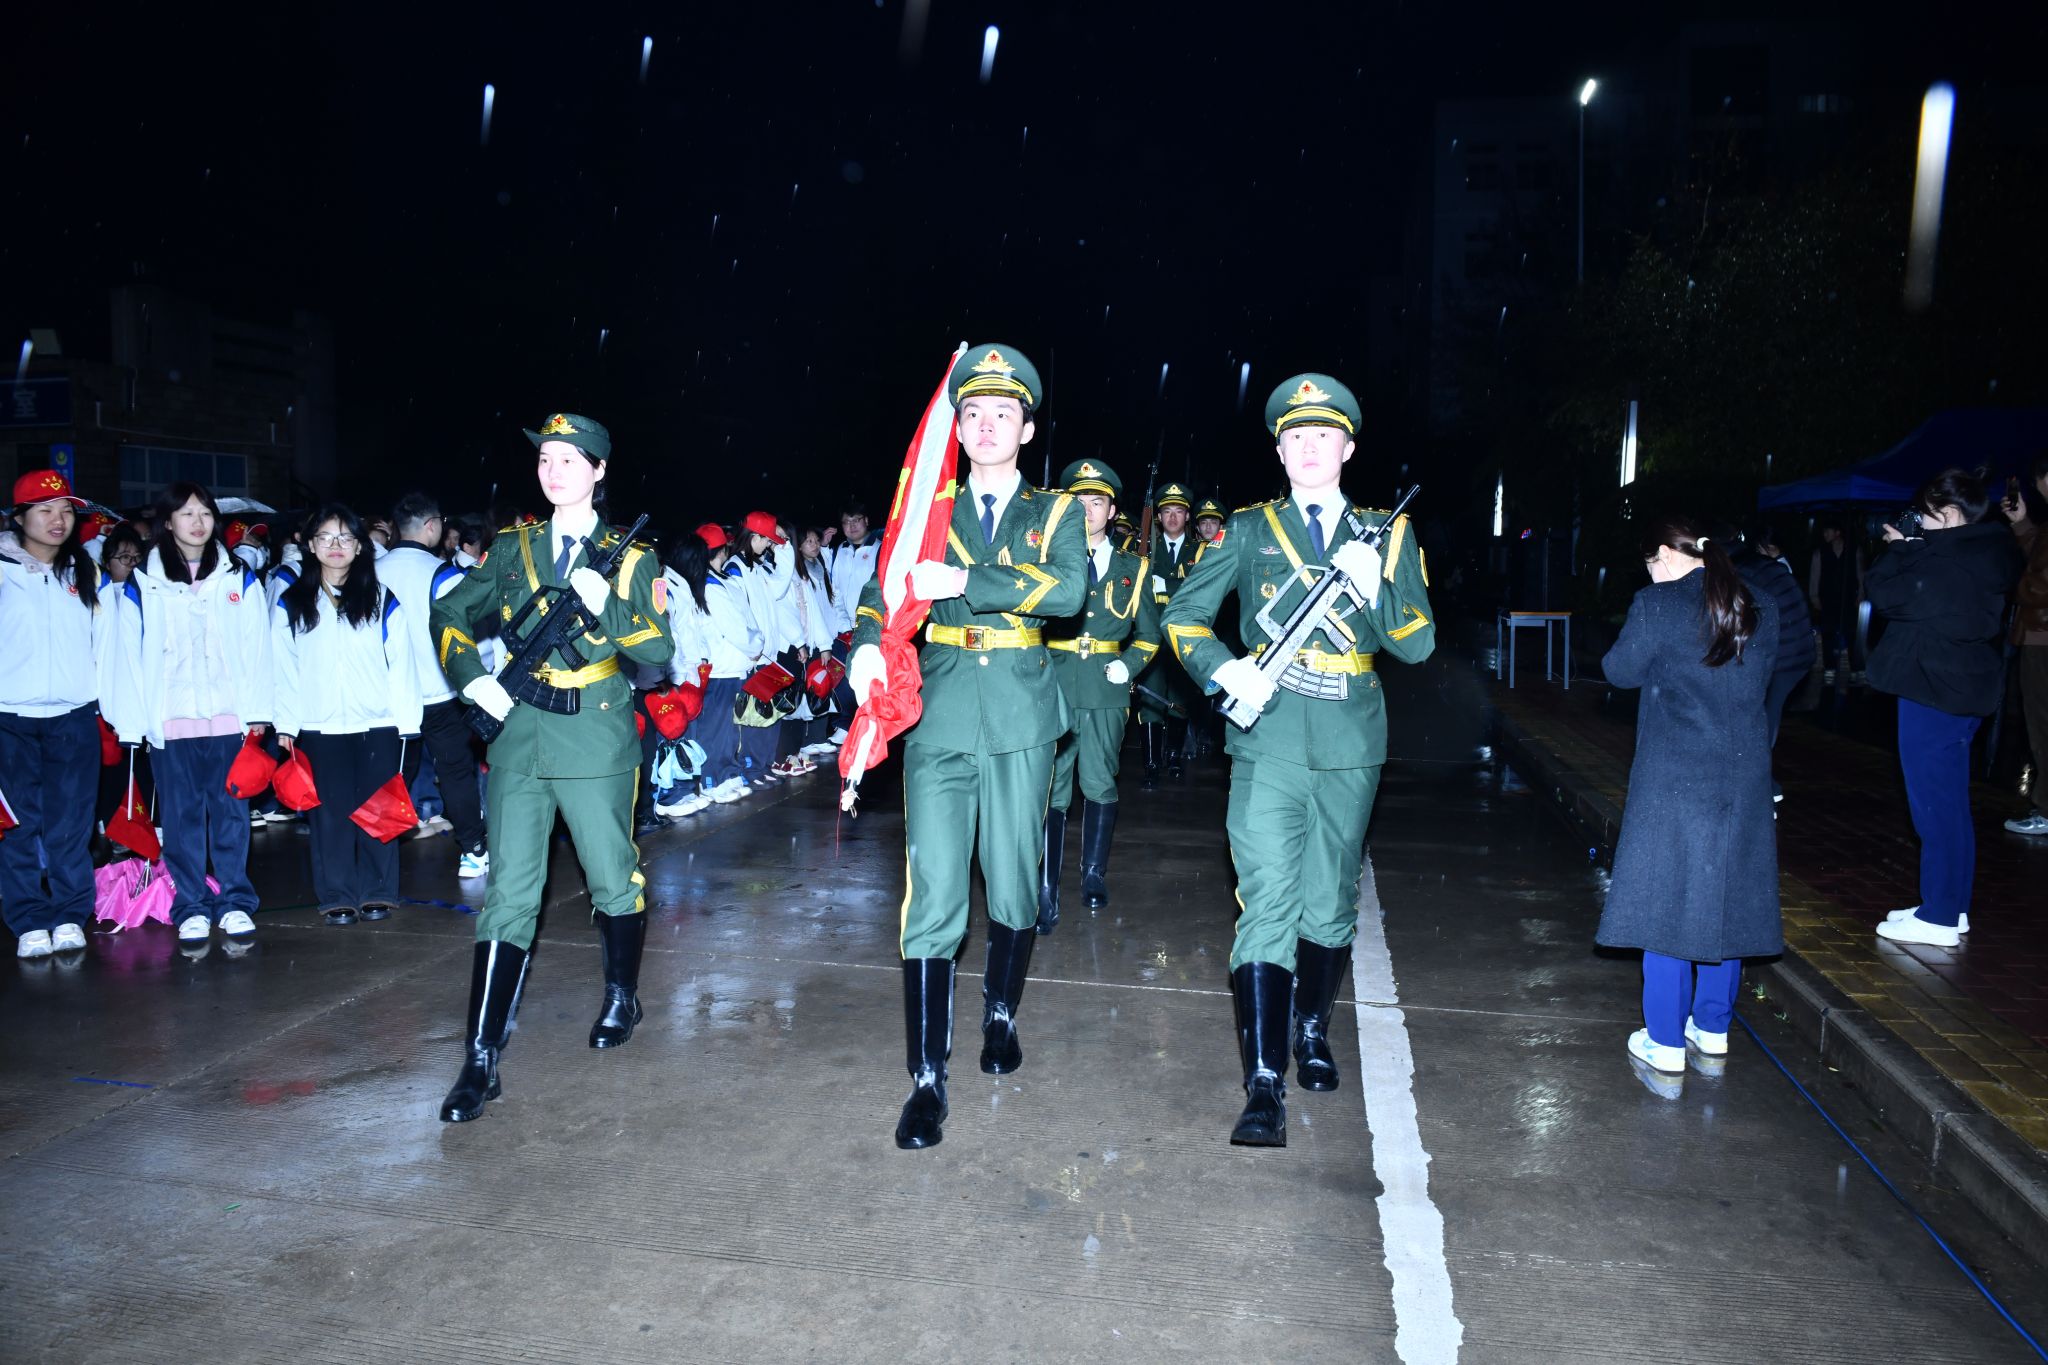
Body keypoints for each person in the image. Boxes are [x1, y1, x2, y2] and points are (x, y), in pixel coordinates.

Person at [1160, 373, 1435, 1146]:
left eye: (1324, 435)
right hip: (1269, 734)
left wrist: (1376, 587)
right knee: (1266, 900)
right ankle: (1263, 1081)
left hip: (1349, 738)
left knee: (1329, 899)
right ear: (1279, 452)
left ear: (1348, 448)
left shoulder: (1386, 534)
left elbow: (1418, 642)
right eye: (1296, 437)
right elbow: (1182, 615)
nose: (1310, 447)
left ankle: (1311, 1027)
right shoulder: (1248, 531)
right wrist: (1225, 668)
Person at [847, 343, 1086, 1150]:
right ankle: (926, 1076)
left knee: (1015, 885)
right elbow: (881, 585)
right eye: (972, 412)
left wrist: (967, 582)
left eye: (1002, 413)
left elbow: (1069, 588)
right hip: (939, 712)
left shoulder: (1054, 510)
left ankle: (1001, 1009)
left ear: (1026, 427)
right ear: (957, 425)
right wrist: (866, 645)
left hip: (1021, 715)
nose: (985, 426)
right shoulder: (930, 507)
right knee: (933, 893)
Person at [428, 412, 673, 1122]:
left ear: (599, 470)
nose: (554, 470)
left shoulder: (633, 558)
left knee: (611, 877)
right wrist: (472, 677)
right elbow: (449, 611)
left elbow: (658, 650)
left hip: (594, 732)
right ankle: (480, 1057)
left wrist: (611, 609)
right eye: (545, 459)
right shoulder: (514, 547)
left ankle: (623, 995)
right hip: (518, 734)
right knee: (509, 893)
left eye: (570, 459)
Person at [1596, 518, 1779, 1078]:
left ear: (1665, 555)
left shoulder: (1658, 604)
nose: (1649, 574)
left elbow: (1619, 671)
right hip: (1743, 776)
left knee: (1665, 902)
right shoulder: (1761, 604)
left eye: (1650, 564)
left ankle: (1665, 1039)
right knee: (1726, 900)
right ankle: (1713, 1028)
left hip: (1674, 777)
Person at [102, 481, 274, 948]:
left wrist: (258, 710)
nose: (197, 523)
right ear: (168, 521)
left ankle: (235, 901)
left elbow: (258, 647)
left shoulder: (238, 576)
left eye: (204, 513)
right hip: (170, 721)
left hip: (229, 719)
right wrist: (132, 722)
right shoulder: (143, 581)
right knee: (181, 821)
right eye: (186, 513)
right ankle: (191, 906)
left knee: (231, 815)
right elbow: (126, 655)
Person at [1867, 469, 2026, 947]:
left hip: (1933, 690)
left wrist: (1900, 549)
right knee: (1950, 804)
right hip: (1960, 688)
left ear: (1952, 514)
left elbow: (1885, 594)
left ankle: (1937, 917)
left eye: (1927, 516)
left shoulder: (1948, 563)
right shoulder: (1985, 552)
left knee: (1934, 808)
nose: (1920, 523)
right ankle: (1950, 908)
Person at [272, 504, 424, 926]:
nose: (335, 545)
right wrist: (286, 724)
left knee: (378, 810)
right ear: (310, 545)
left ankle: (379, 890)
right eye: (325, 537)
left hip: (378, 723)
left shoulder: (381, 599)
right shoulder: (292, 602)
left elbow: (402, 664)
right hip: (318, 726)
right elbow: (282, 669)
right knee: (330, 817)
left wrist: (407, 723)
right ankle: (337, 895)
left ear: (359, 546)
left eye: (345, 537)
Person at [1039, 459, 1161, 934]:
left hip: (1106, 690)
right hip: (1053, 685)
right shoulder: (1048, 561)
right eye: (1079, 502)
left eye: (1097, 502)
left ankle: (1093, 874)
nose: (1087, 510)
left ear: (1112, 512)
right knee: (1050, 784)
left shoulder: (1135, 568)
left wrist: (1129, 664)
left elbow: (1149, 635)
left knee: (1099, 780)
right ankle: (1045, 885)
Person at [1, 471, 118, 959]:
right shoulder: (2, 570)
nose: (58, 519)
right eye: (45, 510)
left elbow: (104, 646)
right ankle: (28, 918)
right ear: (19, 517)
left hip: (73, 716)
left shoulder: (86, 572)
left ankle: (71, 913)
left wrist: (108, 709)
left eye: (66, 510)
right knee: (18, 825)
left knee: (71, 824)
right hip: (9, 718)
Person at [382, 492, 490, 876]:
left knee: (390, 778)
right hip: (441, 692)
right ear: (431, 526)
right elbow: (471, 633)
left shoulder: (370, 572)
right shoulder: (443, 574)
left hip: (388, 699)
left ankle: (380, 864)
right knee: (456, 773)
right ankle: (473, 851)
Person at [1726, 523, 1813, 800]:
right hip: (1798, 650)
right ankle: (1762, 786)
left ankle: (1763, 789)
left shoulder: (1741, 574)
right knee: (1762, 716)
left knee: (1760, 720)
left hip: (1784, 654)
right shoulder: (1761, 565)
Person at [1133, 482, 1203, 784]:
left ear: (1187, 516)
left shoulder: (1200, 551)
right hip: (1150, 635)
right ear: (1159, 517)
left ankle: (1174, 757)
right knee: (1151, 698)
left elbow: (1200, 588)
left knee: (1180, 698)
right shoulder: (1144, 549)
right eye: (1166, 512)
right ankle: (1151, 764)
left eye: (1179, 511)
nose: (1173, 517)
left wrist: (1163, 585)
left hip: (1185, 638)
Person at [653, 532, 716, 819]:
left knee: (685, 736)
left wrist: (700, 661)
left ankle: (685, 789)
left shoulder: (682, 583)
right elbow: (669, 633)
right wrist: (676, 671)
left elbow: (693, 629)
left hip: (686, 671)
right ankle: (668, 796)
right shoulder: (663, 585)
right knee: (670, 735)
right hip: (672, 671)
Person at [2001, 455, 2048, 836]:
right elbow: (2039, 558)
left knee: (2042, 724)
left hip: (2043, 634)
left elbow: (2039, 579)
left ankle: (2046, 810)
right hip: (2037, 632)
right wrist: (2022, 524)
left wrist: (2012, 586)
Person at [698, 522, 761, 804]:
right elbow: (735, 627)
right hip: (722, 667)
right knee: (717, 728)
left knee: (731, 727)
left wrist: (754, 643)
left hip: (734, 664)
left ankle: (728, 772)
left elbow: (746, 618)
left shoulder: (722, 580)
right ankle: (712, 779)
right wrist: (755, 645)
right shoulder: (710, 585)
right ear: (722, 550)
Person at [737, 510, 796, 787]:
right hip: (752, 655)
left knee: (768, 715)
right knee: (752, 719)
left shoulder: (758, 568)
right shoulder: (736, 568)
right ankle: (750, 768)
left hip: (767, 654)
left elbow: (780, 587)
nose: (770, 545)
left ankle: (762, 765)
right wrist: (754, 645)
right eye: (768, 540)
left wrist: (784, 548)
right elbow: (742, 615)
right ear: (754, 537)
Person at [824, 501, 882, 743]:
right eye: (846, 522)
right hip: (843, 627)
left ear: (866, 521)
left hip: (870, 626)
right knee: (841, 678)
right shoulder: (840, 550)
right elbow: (834, 588)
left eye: (856, 520)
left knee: (867, 677)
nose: (852, 526)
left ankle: (870, 727)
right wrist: (841, 624)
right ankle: (844, 725)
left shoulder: (879, 548)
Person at [790, 525, 841, 761]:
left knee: (824, 686)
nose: (814, 545)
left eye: (815, 541)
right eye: (808, 541)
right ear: (798, 546)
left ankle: (819, 736)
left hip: (826, 636)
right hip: (812, 639)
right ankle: (807, 740)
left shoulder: (820, 567)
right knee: (811, 688)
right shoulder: (798, 572)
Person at [1808, 518, 1865, 689]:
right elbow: (1815, 575)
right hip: (1828, 600)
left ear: (1837, 533)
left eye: (1828, 531)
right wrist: (1814, 597)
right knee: (1828, 636)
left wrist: (1861, 595)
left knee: (1852, 634)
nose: (1825, 534)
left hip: (1849, 599)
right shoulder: (1820, 552)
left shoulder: (1854, 550)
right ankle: (1830, 669)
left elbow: (1861, 574)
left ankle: (1856, 670)